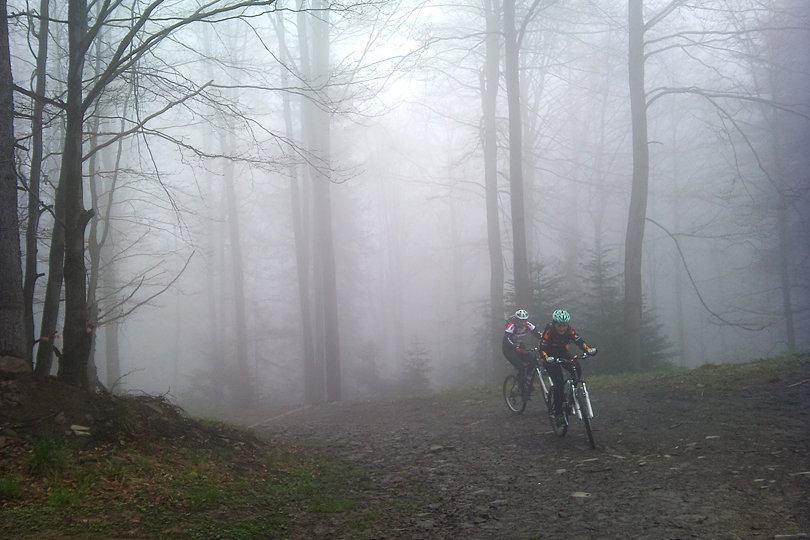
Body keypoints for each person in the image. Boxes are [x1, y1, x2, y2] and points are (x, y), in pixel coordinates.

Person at [539, 309, 598, 426]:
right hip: (549, 356)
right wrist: (546, 358)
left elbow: (579, 340)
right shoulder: (549, 331)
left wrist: (588, 350)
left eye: (564, 325)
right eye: (559, 325)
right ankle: (559, 414)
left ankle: (571, 397)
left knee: (577, 368)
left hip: (562, 353)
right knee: (559, 383)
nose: (562, 328)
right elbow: (542, 347)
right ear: (554, 324)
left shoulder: (569, 330)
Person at [502, 309, 543, 394]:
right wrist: (515, 347)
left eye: (525, 320)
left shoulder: (528, 325)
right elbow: (507, 338)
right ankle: (521, 387)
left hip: (519, 346)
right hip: (508, 349)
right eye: (521, 320)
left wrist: (545, 341)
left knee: (533, 361)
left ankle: (526, 383)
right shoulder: (512, 325)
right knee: (521, 368)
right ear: (517, 320)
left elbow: (539, 335)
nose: (523, 323)